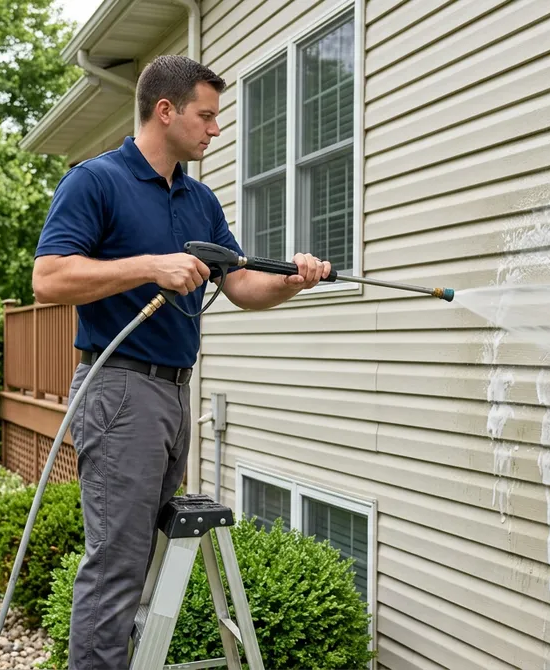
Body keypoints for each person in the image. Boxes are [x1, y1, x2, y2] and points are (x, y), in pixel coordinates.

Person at [30, 54, 330, 670]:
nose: (215, 130)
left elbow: (243, 287)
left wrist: (296, 280)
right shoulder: (96, 180)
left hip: (173, 392)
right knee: (114, 566)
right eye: (207, 116)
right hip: (118, 389)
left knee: (140, 563)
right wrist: (151, 265)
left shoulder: (200, 200)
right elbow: (49, 278)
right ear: (165, 111)